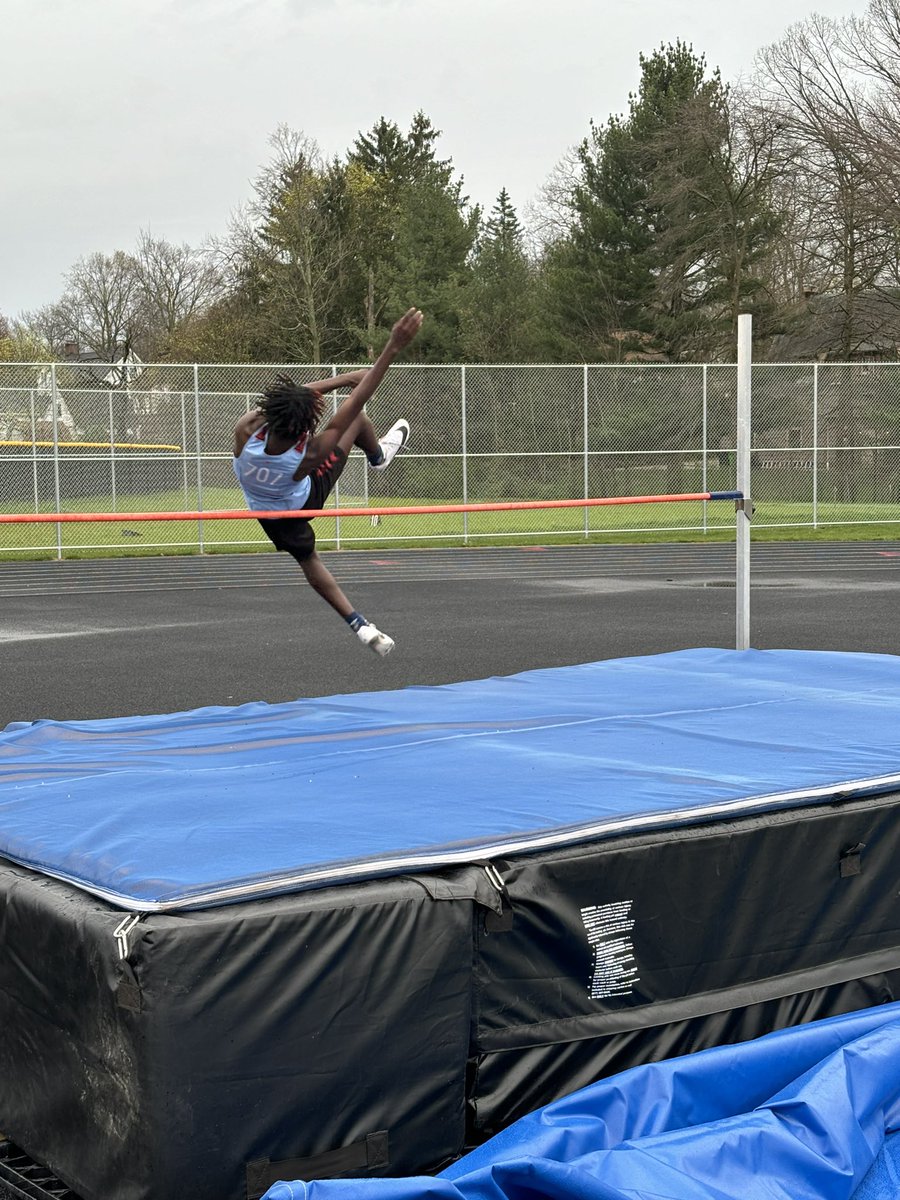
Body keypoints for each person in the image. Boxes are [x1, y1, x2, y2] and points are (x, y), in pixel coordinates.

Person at [232, 307, 423, 656]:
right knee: (358, 418)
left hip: (268, 515)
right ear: (303, 431)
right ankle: (378, 457)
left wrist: (344, 379)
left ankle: (360, 626)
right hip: (304, 501)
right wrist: (392, 347)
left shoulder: (246, 429)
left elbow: (292, 397)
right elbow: (356, 403)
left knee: (309, 560)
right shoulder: (308, 456)